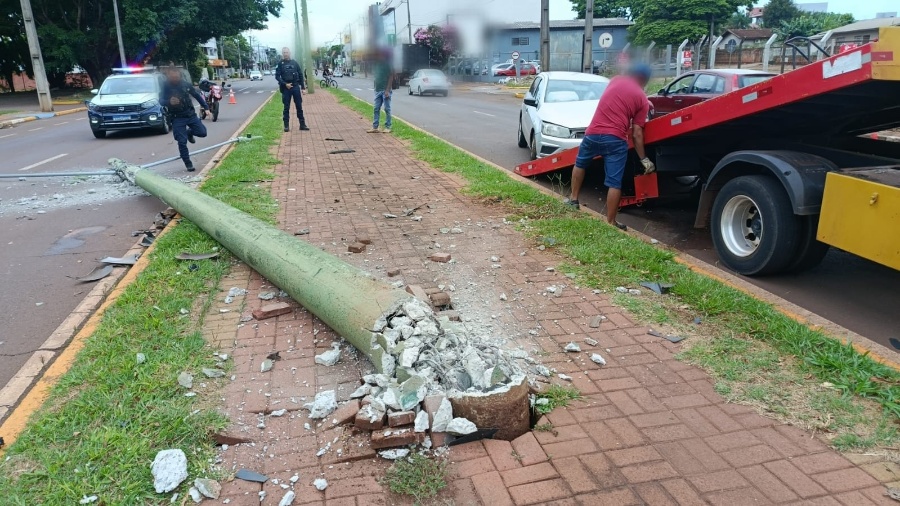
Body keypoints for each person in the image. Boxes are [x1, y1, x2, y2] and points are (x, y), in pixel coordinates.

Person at [567, 63, 656, 230]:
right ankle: (611, 222)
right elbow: (637, 133)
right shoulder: (643, 99)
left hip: (592, 133)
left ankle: (573, 199)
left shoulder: (615, 80)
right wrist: (644, 159)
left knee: (580, 164)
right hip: (615, 139)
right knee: (614, 182)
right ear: (645, 80)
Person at [161, 67, 208, 172]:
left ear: (179, 76)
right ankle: (188, 163)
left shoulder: (186, 84)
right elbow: (160, 100)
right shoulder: (165, 86)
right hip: (177, 118)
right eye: (172, 77)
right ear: (169, 77)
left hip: (190, 115)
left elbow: (196, 95)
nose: (175, 79)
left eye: (176, 77)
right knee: (182, 142)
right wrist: (168, 102)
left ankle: (189, 132)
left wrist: (206, 107)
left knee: (202, 133)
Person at [275, 47, 309, 132]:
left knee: (299, 106)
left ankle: (302, 124)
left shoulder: (294, 63)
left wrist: (303, 88)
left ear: (289, 53)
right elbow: (277, 76)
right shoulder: (280, 64)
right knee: (286, 107)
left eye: (287, 52)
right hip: (286, 88)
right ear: (282, 54)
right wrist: (285, 84)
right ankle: (286, 126)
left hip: (295, 87)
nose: (285, 54)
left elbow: (300, 75)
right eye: (284, 52)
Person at [367, 49, 394, 134]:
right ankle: (375, 127)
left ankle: (388, 127)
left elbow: (391, 76)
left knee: (387, 109)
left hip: (385, 90)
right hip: (378, 90)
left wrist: (387, 90)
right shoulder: (376, 64)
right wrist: (375, 87)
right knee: (376, 108)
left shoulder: (387, 64)